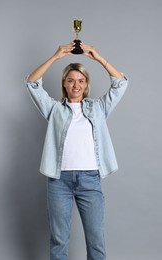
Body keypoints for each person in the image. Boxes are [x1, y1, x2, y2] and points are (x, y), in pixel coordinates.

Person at [25, 42, 129, 260]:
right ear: (64, 82)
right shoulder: (54, 109)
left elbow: (120, 83)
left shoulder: (98, 108)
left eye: (81, 80)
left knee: (96, 241)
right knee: (59, 240)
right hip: (58, 181)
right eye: (71, 80)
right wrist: (55, 57)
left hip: (90, 180)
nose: (76, 85)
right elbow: (32, 82)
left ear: (86, 84)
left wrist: (99, 57)